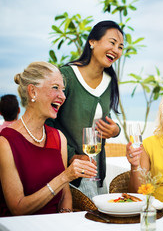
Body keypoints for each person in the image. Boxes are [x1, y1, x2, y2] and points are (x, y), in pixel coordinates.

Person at [0, 61, 97, 216]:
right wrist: (65, 176)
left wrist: (65, 218)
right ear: (32, 92)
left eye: (63, 90)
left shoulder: (59, 138)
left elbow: (65, 195)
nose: (63, 96)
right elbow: (17, 208)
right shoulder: (5, 142)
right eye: (55, 88)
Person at [47, 20, 123, 199]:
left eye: (120, 47)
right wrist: (72, 156)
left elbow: (104, 117)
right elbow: (48, 121)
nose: (116, 50)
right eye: (112, 43)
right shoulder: (66, 76)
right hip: (68, 171)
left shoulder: (109, 81)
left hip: (96, 171)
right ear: (92, 41)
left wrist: (115, 130)